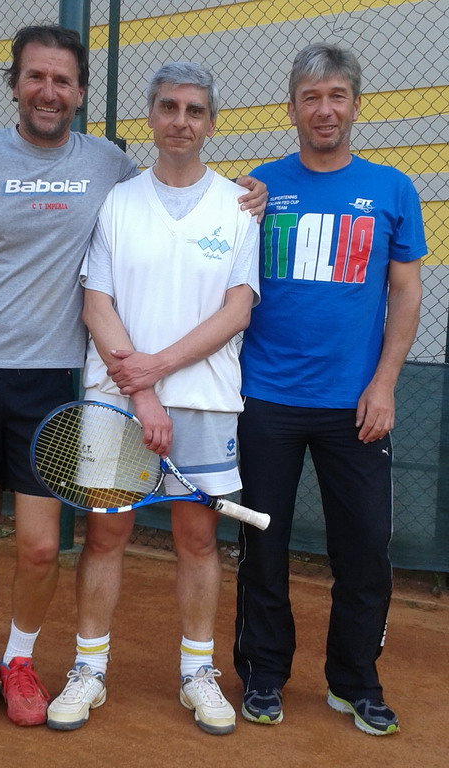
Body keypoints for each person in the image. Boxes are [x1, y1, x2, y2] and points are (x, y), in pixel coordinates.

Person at [0, 26, 265, 732]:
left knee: (51, 545)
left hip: (58, 381)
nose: (49, 91)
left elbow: (217, 272)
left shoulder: (116, 168)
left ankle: (43, 662)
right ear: (14, 83)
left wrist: (252, 190)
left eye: (62, 80)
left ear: (82, 93)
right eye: (36, 77)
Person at [45, 62, 260, 736]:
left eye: (194, 110)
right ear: (151, 115)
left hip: (204, 401)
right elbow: (96, 304)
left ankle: (198, 673)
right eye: (169, 107)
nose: (180, 121)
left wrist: (157, 372)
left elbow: (238, 310)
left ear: (211, 123)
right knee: (106, 534)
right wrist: (142, 396)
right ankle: (89, 668)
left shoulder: (238, 206)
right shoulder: (118, 202)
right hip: (116, 402)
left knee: (197, 539)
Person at [233, 43, 426, 736]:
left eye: (336, 96)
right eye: (310, 97)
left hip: (356, 406)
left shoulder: (393, 190)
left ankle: (354, 681)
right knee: (263, 547)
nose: (324, 110)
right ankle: (263, 673)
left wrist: (385, 384)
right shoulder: (256, 189)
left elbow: (406, 293)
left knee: (365, 550)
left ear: (356, 105)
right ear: (290, 108)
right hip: (266, 400)